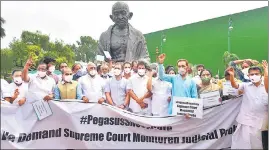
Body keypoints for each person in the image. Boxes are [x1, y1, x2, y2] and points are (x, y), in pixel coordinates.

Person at [228, 63, 268, 149]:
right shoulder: (245, 85)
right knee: (243, 144)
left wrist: (266, 71)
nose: (254, 76)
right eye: (252, 74)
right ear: (248, 76)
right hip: (246, 120)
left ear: (261, 75)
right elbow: (235, 85)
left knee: (259, 145)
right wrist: (231, 76)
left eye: (256, 74)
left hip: (261, 123)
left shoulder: (266, 86)